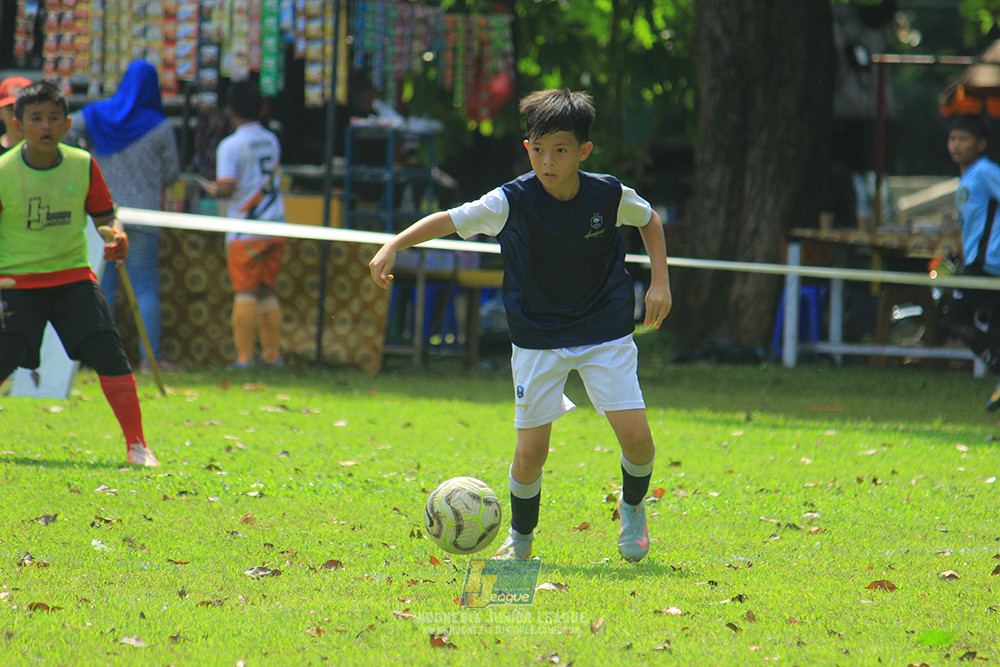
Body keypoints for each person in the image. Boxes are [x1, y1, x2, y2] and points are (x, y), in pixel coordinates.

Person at [369, 89, 672, 562]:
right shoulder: (509, 200)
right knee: (531, 453)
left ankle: (632, 507)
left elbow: (649, 219)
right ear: (527, 147)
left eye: (561, 150)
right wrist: (395, 245)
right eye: (538, 149)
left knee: (638, 440)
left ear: (583, 152)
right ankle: (522, 542)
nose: (547, 161)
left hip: (604, 330)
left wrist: (660, 282)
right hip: (538, 336)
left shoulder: (607, 193)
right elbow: (449, 220)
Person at [0, 81, 160, 466]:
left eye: (54, 118)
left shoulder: (83, 164)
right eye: (36, 118)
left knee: (109, 352)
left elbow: (107, 218)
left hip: (72, 277)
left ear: (67, 123)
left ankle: (137, 446)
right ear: (19, 125)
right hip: (17, 283)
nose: (46, 126)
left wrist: (116, 237)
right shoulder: (3, 171)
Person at [67, 61, 181, 373]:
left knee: (103, 289)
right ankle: (150, 360)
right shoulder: (160, 127)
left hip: (102, 217)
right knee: (145, 287)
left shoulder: (94, 116)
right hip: (144, 218)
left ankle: (100, 360)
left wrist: (80, 161)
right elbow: (171, 174)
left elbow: (63, 130)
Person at [201, 81, 286, 368]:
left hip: (245, 229)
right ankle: (273, 356)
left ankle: (244, 358)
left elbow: (226, 188)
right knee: (267, 290)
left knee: (246, 291)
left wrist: (211, 189)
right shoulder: (271, 139)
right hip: (276, 225)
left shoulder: (231, 145)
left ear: (230, 111)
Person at [944, 115, 1000, 411]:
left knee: (955, 318)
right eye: (952, 139)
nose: (956, 145)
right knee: (992, 328)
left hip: (988, 265)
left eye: (963, 139)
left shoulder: (986, 171)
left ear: (980, 144)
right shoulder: (968, 178)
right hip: (979, 263)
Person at [0, 76, 32, 154]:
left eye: (22, 108)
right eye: (11, 109)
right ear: (0, 112)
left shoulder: (53, 151)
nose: (17, 114)